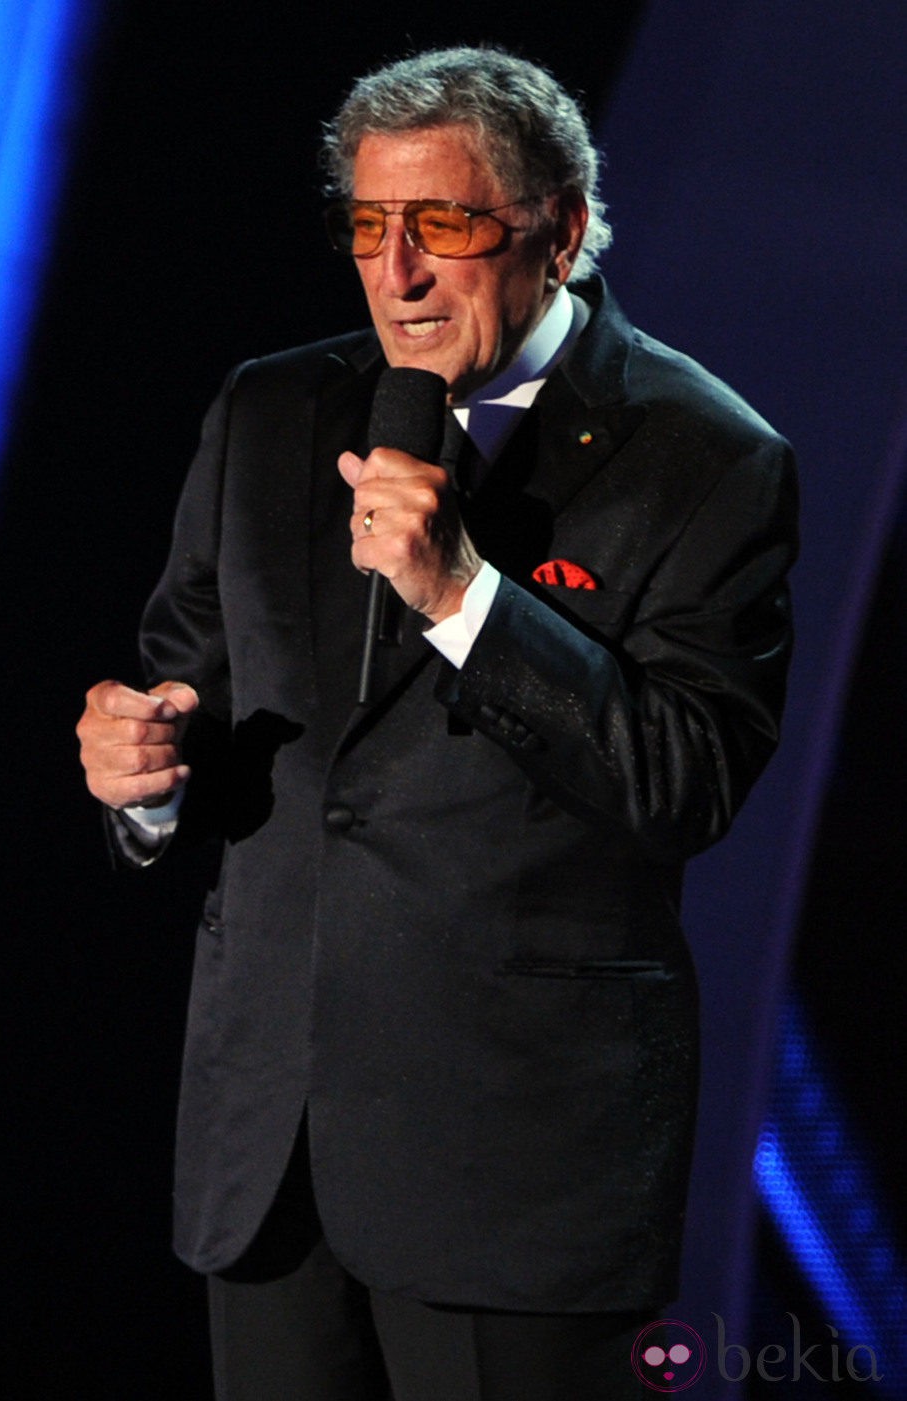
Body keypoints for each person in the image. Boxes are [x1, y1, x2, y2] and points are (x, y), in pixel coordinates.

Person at [76, 46, 797, 1401]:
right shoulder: (269, 409)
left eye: (446, 228)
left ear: (562, 230)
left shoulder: (709, 457)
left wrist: (463, 594)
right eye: (368, 226)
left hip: (515, 1181)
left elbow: (686, 780)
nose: (396, 271)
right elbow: (193, 692)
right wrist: (147, 779)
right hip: (270, 1161)